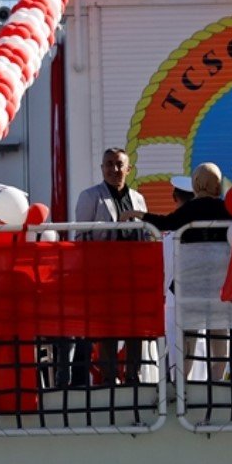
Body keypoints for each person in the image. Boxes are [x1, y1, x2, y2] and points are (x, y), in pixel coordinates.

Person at [126, 163, 232, 380]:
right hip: (219, 284)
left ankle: (184, 387)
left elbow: (167, 222)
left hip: (190, 285)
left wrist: (138, 214)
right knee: (219, 339)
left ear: (197, 183)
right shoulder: (227, 209)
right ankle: (217, 385)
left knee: (189, 340)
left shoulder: (190, 209)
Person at [72, 148, 149, 384]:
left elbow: (146, 235)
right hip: (104, 275)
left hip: (132, 275)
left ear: (128, 169)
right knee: (107, 329)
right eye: (108, 164)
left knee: (136, 328)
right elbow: (81, 238)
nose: (113, 170)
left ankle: (133, 376)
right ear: (102, 168)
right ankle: (108, 378)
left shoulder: (138, 198)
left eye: (118, 164)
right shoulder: (89, 196)